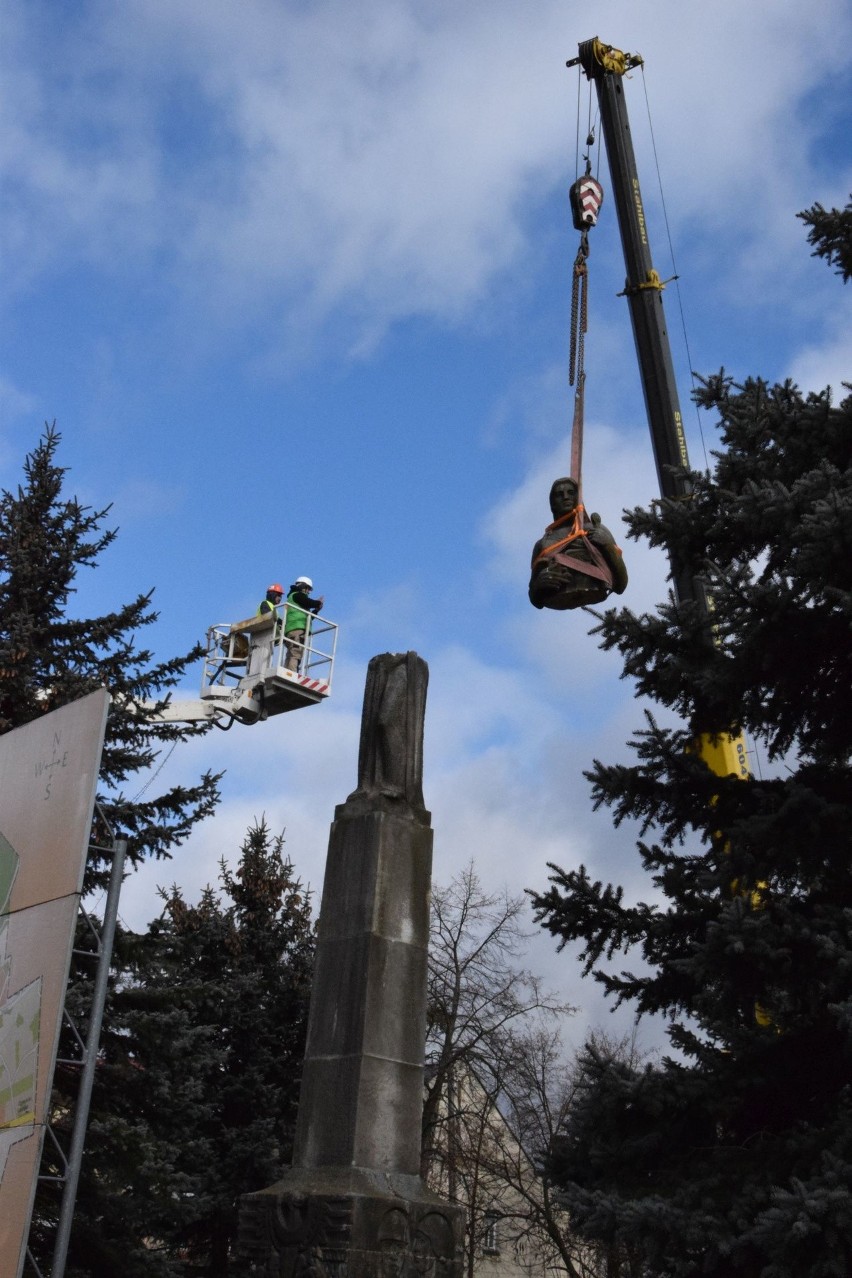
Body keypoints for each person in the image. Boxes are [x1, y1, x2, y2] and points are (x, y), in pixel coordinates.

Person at [529, 476, 628, 610]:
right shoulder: (543, 544)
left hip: (594, 590)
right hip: (557, 597)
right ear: (552, 504)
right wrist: (538, 586)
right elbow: (535, 599)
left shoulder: (595, 529)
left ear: (578, 498)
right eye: (560, 494)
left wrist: (607, 545)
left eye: (570, 493)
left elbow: (621, 584)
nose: (565, 497)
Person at [283, 576, 324, 671]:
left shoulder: (295, 599)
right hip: (297, 630)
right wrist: (318, 603)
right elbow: (308, 602)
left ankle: (287, 671)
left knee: (291, 654)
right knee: (295, 653)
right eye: (308, 589)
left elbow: (307, 618)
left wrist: (316, 611)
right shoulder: (297, 595)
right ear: (303, 586)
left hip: (293, 630)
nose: (309, 592)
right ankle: (291, 674)